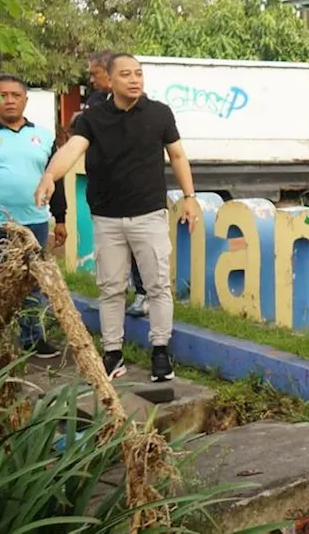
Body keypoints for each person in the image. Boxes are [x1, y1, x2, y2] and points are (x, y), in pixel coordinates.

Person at [35, 52, 202, 382]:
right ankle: (112, 354)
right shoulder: (93, 119)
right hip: (108, 218)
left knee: (157, 287)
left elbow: (178, 155)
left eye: (139, 73)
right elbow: (70, 150)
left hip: (149, 214)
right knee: (110, 288)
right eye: (126, 74)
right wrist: (49, 177)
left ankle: (160, 353)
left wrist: (190, 197)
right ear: (110, 81)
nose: (135, 79)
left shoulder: (159, 114)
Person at [0, 75, 67, 358]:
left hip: (34, 222)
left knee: (33, 281)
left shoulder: (43, 136)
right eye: (2, 95)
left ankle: (33, 338)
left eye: (15, 95)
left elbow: (56, 179)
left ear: (25, 100)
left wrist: (61, 217)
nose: (9, 100)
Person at [82, 51, 149, 319]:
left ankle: (143, 295)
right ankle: (113, 296)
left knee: (138, 250)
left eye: (94, 74)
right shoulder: (97, 103)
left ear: (108, 77)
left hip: (135, 197)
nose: (90, 79)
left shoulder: (142, 107)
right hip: (102, 196)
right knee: (110, 254)